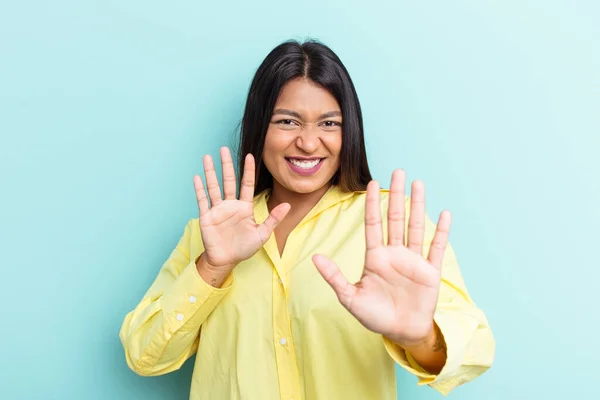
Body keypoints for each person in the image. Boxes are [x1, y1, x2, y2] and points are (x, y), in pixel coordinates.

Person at [119, 39, 495, 400]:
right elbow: (145, 355)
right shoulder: (212, 234)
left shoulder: (387, 224)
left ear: (349, 132)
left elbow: (476, 346)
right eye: (287, 121)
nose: (309, 142)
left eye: (329, 124)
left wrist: (420, 337)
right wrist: (213, 267)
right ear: (258, 127)